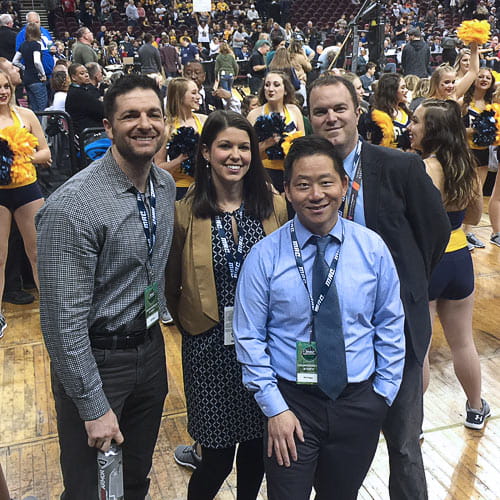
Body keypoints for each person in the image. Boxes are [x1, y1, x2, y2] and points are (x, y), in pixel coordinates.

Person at [233, 134, 406, 499]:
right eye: (303, 185)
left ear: (344, 185)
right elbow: (248, 336)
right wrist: (274, 408)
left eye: (326, 182)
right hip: (291, 406)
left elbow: (390, 322)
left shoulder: (372, 249)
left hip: (359, 401)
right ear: (287, 191)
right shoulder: (264, 257)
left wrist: (382, 395)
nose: (316, 195)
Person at [307, 75, 450, 499]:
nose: (331, 117)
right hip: (331, 330)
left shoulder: (399, 166)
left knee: (404, 447)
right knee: (332, 448)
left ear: (357, 111)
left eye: (339, 108)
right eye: (320, 111)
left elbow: (435, 233)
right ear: (311, 118)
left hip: (395, 330)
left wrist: (403, 285)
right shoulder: (306, 172)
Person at [36, 74, 175, 499]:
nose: (144, 124)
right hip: (97, 360)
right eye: (130, 115)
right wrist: (93, 404)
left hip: (150, 353)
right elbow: (61, 324)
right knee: (89, 487)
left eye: (153, 114)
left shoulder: (165, 187)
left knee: (133, 478)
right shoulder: (72, 206)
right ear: (108, 127)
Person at [166, 110, 288, 499]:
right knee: (215, 458)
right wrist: (191, 320)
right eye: (225, 146)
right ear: (205, 152)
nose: (235, 155)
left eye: (244, 146)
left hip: (264, 350)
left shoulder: (274, 206)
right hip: (208, 348)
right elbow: (171, 282)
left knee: (256, 451)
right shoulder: (185, 211)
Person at [408, 99, 490, 428]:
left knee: (421, 350)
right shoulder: (465, 163)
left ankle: (415, 421)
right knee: (463, 342)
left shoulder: (422, 168)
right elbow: (473, 216)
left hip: (428, 261)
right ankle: (474, 407)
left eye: (416, 122)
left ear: (433, 131)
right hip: (459, 260)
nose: (410, 128)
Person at [0, 69, 51, 337]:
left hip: (28, 190)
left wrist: (23, 156)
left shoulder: (27, 115)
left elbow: (45, 152)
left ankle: (51, 310)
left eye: (6, 85)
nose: (3, 91)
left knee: (38, 253)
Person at [247, 70, 304, 191]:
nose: (270, 89)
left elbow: (303, 146)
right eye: (267, 85)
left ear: (286, 90)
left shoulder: (294, 110)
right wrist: (267, 144)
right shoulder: (254, 115)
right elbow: (247, 151)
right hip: (264, 175)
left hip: (291, 173)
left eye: (276, 85)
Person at [461, 67, 496, 249]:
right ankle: (458, 231)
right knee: (464, 192)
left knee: (477, 193)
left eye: (487, 78)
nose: (483, 80)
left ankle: (468, 232)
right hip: (465, 152)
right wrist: (473, 130)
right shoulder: (464, 102)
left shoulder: (492, 102)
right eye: (480, 76)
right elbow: (453, 128)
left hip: (484, 152)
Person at [155, 77, 206, 199]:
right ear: (180, 96)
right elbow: (158, 167)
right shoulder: (167, 128)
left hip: (206, 185)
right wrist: (180, 160)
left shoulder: (204, 120)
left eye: (198, 92)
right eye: (193, 93)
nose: (198, 97)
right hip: (181, 190)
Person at [366, 73, 411, 150]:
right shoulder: (375, 116)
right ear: (391, 91)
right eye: (402, 88)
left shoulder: (406, 113)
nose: (406, 91)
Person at [13, 22, 48, 111]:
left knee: (33, 106)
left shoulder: (23, 44)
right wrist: (43, 74)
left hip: (27, 79)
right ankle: (42, 125)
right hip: (36, 78)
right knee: (42, 106)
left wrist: (24, 67)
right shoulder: (36, 44)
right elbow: (37, 62)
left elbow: (15, 61)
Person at [65, 63, 104, 136]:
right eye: (82, 73)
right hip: (89, 133)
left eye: (87, 72)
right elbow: (102, 111)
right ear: (73, 77)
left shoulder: (81, 89)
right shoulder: (78, 93)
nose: (86, 75)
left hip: (89, 129)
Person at [15, 11, 54, 82]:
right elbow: (19, 56)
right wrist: (25, 69)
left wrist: (54, 49)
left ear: (40, 22)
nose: (35, 25)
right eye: (31, 23)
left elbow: (50, 45)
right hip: (35, 76)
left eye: (37, 22)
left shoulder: (45, 32)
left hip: (49, 72)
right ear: (27, 23)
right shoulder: (21, 35)